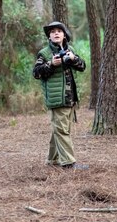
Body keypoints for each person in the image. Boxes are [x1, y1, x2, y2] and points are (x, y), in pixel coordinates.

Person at [33, 21, 88, 169]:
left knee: (59, 130)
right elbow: (36, 73)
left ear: (64, 35)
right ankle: (69, 163)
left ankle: (53, 160)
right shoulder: (44, 53)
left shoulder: (70, 49)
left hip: (69, 97)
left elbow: (82, 66)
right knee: (62, 130)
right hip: (57, 99)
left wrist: (73, 59)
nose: (56, 33)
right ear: (49, 37)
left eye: (59, 31)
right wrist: (51, 64)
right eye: (52, 32)